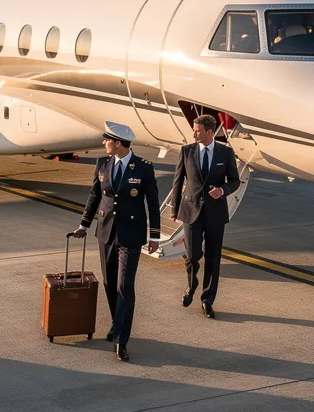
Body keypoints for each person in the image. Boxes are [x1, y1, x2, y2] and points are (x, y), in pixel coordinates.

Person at [74, 121, 160, 362]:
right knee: (110, 284)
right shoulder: (102, 164)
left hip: (131, 235)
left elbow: (152, 203)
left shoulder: (143, 168)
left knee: (125, 287)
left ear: (119, 143)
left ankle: (122, 340)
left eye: (107, 140)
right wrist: (84, 224)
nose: (104, 143)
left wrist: (154, 235)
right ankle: (116, 322)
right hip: (106, 233)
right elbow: (94, 195)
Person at [170, 114, 240, 319]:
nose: (194, 134)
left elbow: (235, 180)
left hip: (215, 214)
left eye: (198, 131)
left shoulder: (225, 153)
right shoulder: (186, 151)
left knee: (213, 258)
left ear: (210, 132)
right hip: (191, 211)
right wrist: (174, 209)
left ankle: (207, 300)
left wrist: (223, 190)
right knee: (192, 256)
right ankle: (191, 286)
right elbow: (177, 181)